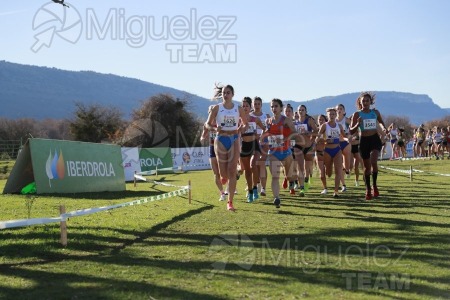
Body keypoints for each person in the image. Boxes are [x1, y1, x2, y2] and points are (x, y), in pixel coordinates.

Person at [205, 84, 248, 211]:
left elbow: (245, 124)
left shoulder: (238, 108)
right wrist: (213, 128)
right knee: (223, 172)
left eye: (228, 92)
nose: (225, 95)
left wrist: (241, 129)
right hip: (221, 139)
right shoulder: (216, 108)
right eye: (224, 93)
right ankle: (227, 176)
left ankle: (230, 202)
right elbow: (207, 124)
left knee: (231, 169)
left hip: (234, 138)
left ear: (232, 94)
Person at [260, 98, 298, 208]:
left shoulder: (286, 120)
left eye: (276, 106)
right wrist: (262, 137)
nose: (274, 108)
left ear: (281, 108)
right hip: (273, 152)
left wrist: (285, 138)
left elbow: (295, 133)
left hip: (286, 152)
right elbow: (265, 132)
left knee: (290, 176)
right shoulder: (268, 121)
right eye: (272, 106)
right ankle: (277, 198)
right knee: (275, 177)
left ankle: (290, 181)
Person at [350, 92, 388, 200]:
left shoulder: (375, 112)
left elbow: (381, 123)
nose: (365, 103)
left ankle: (374, 185)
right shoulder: (357, 114)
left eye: (367, 101)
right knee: (367, 168)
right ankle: (367, 189)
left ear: (370, 102)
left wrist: (384, 128)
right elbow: (351, 131)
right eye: (363, 101)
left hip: (374, 139)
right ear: (360, 103)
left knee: (374, 161)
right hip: (364, 141)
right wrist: (357, 124)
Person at [240, 97, 265, 203]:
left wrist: (260, 136)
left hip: (254, 145)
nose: (245, 108)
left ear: (250, 107)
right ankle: (250, 191)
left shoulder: (255, 119)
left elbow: (265, 129)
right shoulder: (238, 120)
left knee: (253, 165)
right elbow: (234, 132)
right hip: (244, 146)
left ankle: (255, 188)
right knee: (247, 171)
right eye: (243, 106)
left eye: (247, 106)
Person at [317, 107, 345, 198]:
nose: (332, 116)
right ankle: (328, 173)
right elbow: (318, 138)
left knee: (338, 170)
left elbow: (343, 137)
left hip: (337, 150)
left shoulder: (339, 126)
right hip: (327, 151)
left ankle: (336, 191)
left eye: (333, 114)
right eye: (330, 114)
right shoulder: (324, 126)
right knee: (328, 173)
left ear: (336, 115)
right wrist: (325, 141)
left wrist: (349, 138)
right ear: (327, 116)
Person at [201, 105, 226, 201]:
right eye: (210, 112)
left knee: (225, 172)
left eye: (214, 111)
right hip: (212, 149)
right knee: (216, 173)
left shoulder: (221, 123)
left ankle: (230, 187)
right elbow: (203, 135)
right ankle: (222, 193)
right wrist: (202, 138)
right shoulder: (207, 124)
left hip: (222, 149)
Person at [294, 105, 317, 196]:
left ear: (306, 111)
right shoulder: (295, 122)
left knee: (308, 166)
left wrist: (310, 134)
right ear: (297, 111)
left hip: (308, 146)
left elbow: (316, 132)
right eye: (299, 110)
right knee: (300, 167)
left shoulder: (309, 120)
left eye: (303, 110)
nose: (301, 111)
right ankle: (302, 188)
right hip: (298, 146)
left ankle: (307, 179)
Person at [250, 96, 271, 196]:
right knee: (254, 165)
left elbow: (269, 130)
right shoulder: (249, 116)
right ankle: (256, 184)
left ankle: (263, 188)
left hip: (264, 142)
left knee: (262, 164)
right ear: (252, 105)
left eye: (258, 104)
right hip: (253, 142)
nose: (257, 106)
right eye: (255, 104)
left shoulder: (266, 116)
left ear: (261, 105)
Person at [336, 104, 351, 191]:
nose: (339, 110)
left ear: (344, 111)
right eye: (338, 109)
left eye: (341, 109)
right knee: (339, 165)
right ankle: (343, 185)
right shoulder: (333, 120)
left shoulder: (347, 120)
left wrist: (350, 135)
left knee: (347, 165)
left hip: (346, 143)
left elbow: (353, 129)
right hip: (337, 144)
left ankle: (347, 170)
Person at [315, 114, 328, 194]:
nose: (320, 121)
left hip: (327, 153)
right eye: (319, 119)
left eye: (322, 119)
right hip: (318, 153)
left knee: (328, 172)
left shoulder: (327, 130)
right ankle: (325, 188)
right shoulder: (315, 130)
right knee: (321, 172)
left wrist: (322, 140)